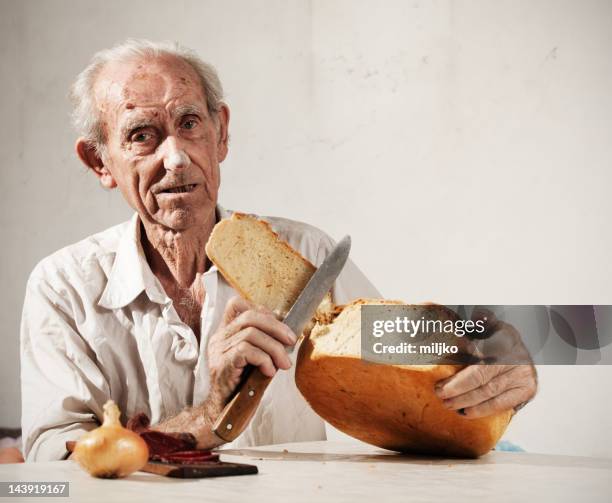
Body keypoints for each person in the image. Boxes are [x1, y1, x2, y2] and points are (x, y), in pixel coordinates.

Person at [20, 39, 537, 462]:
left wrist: (496, 344)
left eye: (190, 124)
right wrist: (207, 416)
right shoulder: (64, 286)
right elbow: (55, 464)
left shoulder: (305, 253)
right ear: (99, 162)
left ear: (221, 134)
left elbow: (413, 342)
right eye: (141, 135)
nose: (175, 157)